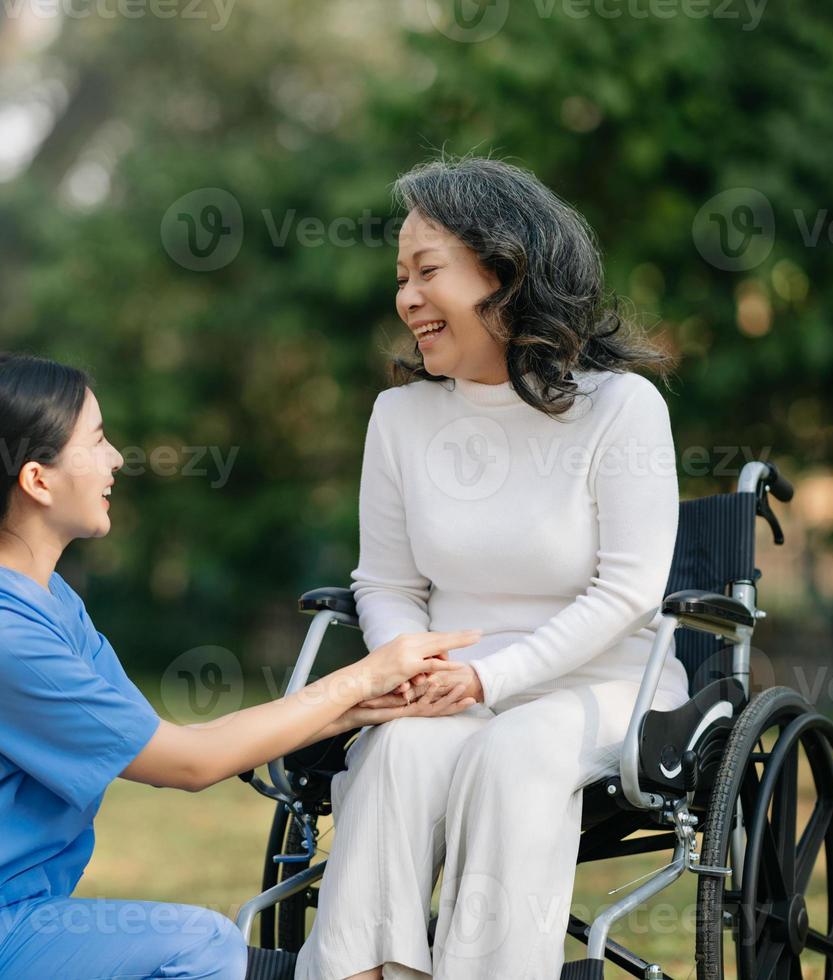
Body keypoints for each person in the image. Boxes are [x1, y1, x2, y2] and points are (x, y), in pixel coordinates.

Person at [0, 352, 481, 980]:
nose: (114, 459)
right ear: (37, 479)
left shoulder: (50, 603)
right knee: (199, 944)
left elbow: (173, 741)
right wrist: (362, 675)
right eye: (97, 439)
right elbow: (186, 763)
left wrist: (366, 703)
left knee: (203, 946)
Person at [294, 157, 693, 980]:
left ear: (507, 272)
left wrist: (491, 680)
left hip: (605, 681)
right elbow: (390, 584)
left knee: (519, 753)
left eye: (427, 271)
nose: (406, 297)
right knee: (398, 751)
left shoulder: (621, 409)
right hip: (450, 684)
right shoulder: (399, 418)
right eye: (401, 276)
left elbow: (626, 592)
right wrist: (414, 666)